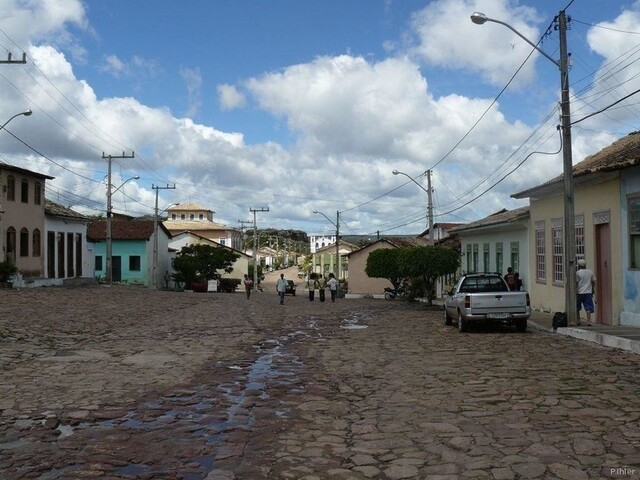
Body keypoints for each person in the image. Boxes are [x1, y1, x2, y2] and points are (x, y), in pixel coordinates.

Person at [576, 259, 596, 326]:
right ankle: (588, 321)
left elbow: (576, 283)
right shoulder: (590, 272)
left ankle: (578, 320)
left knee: (577, 307)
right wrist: (593, 290)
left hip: (579, 292)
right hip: (588, 292)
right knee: (588, 307)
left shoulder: (577, 273)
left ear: (579, 265)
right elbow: (593, 282)